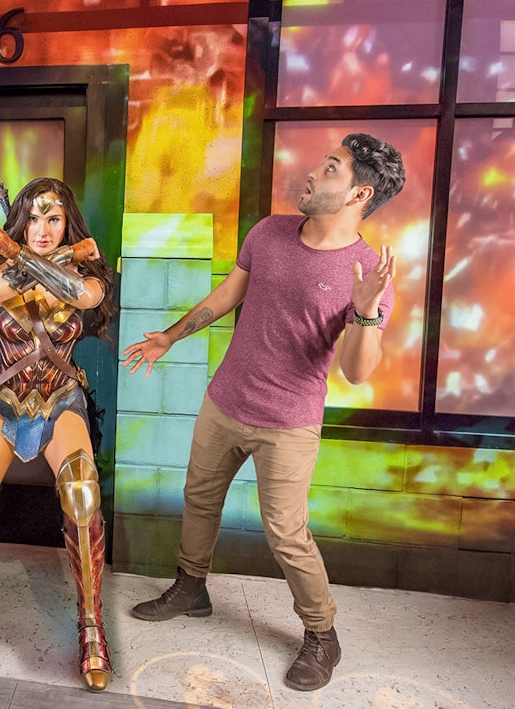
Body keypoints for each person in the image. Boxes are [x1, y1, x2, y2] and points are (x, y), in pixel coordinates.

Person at [122, 133, 405, 692]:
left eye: (330, 169)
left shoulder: (366, 272)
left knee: (285, 532)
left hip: (290, 421)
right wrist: (170, 338)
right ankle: (191, 587)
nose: (312, 174)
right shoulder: (270, 232)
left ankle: (323, 634)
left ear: (359, 193)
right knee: (199, 498)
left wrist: (368, 311)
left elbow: (356, 371)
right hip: (226, 400)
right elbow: (227, 295)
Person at [0, 177, 118, 691]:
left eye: (55, 219)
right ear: (19, 220)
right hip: (5, 399)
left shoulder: (86, 271)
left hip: (60, 399)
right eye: (34, 219)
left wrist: (16, 250)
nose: (43, 229)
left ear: (68, 223)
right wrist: (12, 255)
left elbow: (84, 296)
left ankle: (92, 627)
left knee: (83, 494)